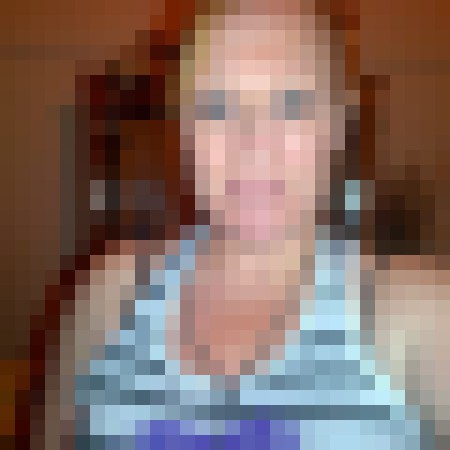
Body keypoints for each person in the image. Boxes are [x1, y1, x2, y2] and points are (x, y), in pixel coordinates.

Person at [33, 1, 426, 449]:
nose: (253, 144)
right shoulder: (110, 292)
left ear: (339, 124)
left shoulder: (415, 317)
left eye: (292, 103)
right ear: (182, 128)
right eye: (217, 105)